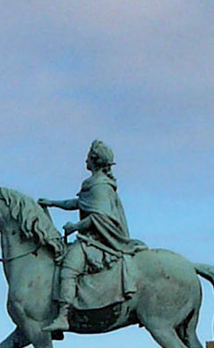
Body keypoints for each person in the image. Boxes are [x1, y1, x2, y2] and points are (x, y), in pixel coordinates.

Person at [38, 139, 143, 332]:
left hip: (98, 242)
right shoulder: (93, 184)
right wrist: (52, 203)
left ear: (94, 160)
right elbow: (78, 203)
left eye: (88, 156)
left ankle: (63, 316)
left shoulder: (100, 185)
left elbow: (98, 216)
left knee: (68, 268)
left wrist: (75, 226)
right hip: (91, 238)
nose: (85, 159)